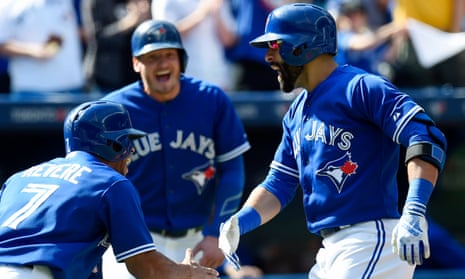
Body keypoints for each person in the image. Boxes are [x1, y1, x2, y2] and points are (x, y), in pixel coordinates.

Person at [218, 3, 447, 279]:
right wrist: (238, 223)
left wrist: (415, 209)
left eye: (275, 45)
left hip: (371, 239)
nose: (267, 57)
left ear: (302, 46)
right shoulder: (296, 112)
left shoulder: (361, 87)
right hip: (331, 249)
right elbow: (278, 184)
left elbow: (426, 137)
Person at [0, 100, 220, 279]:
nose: (132, 149)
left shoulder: (18, 178)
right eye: (126, 140)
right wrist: (189, 273)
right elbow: (148, 269)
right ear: (111, 144)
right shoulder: (111, 183)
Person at [99, 20, 251, 278]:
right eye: (152, 57)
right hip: (132, 241)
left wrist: (217, 234)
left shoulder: (211, 99)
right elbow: (96, 181)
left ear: (181, 60)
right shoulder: (112, 109)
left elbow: (233, 170)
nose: (162, 64)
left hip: (194, 240)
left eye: (169, 55)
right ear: (136, 63)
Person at [0, 0, 84, 99]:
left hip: (72, 87)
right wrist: (32, 51)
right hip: (30, 89)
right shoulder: (7, 4)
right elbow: (2, 43)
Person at [151, 0, 238, 91]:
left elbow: (229, 40)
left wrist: (216, 13)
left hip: (218, 81)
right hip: (183, 81)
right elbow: (165, 36)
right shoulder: (164, 2)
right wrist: (201, 13)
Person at [81, 0, 151, 93]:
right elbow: (97, 38)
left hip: (135, 77)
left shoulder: (139, 2)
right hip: (105, 80)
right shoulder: (97, 2)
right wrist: (126, 24)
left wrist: (146, 20)